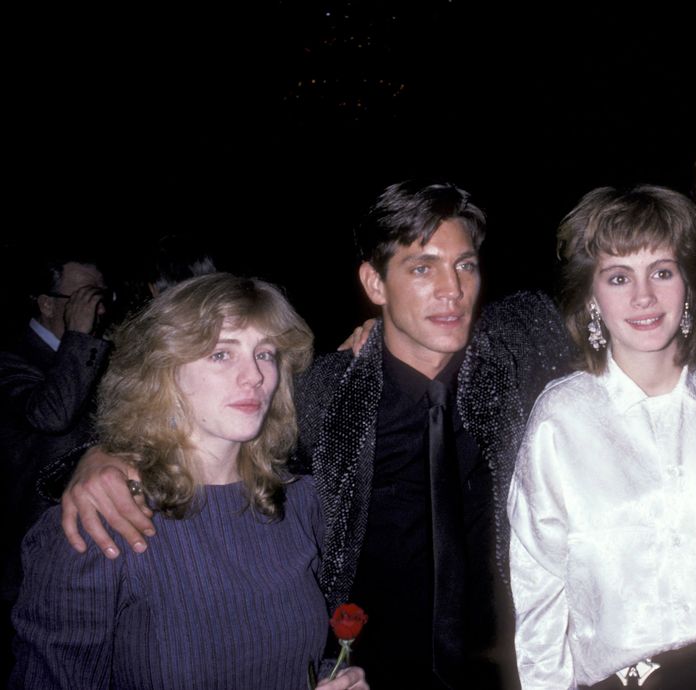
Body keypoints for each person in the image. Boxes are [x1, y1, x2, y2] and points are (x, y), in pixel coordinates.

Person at [57, 181, 576, 690]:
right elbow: (200, 427)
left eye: (465, 264)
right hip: (359, 670)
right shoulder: (321, 393)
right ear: (375, 285)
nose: (452, 290)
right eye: (422, 268)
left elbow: (627, 291)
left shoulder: (521, 342)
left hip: (515, 665)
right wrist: (101, 457)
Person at [10, 273, 368, 690]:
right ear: (165, 371)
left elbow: (292, 653)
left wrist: (329, 676)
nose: (253, 376)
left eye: (265, 354)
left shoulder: (299, 501)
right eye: (221, 354)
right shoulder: (103, 520)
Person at [508, 185, 696, 690]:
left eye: (662, 272)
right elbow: (538, 589)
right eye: (619, 277)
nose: (644, 296)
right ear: (591, 296)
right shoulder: (563, 418)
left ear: (688, 283)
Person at [0, 255, 112, 678]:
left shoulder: (97, 352)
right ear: (47, 304)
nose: (98, 309)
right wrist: (80, 335)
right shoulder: (11, 359)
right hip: (28, 560)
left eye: (102, 296)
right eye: (86, 296)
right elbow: (51, 415)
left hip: (94, 546)